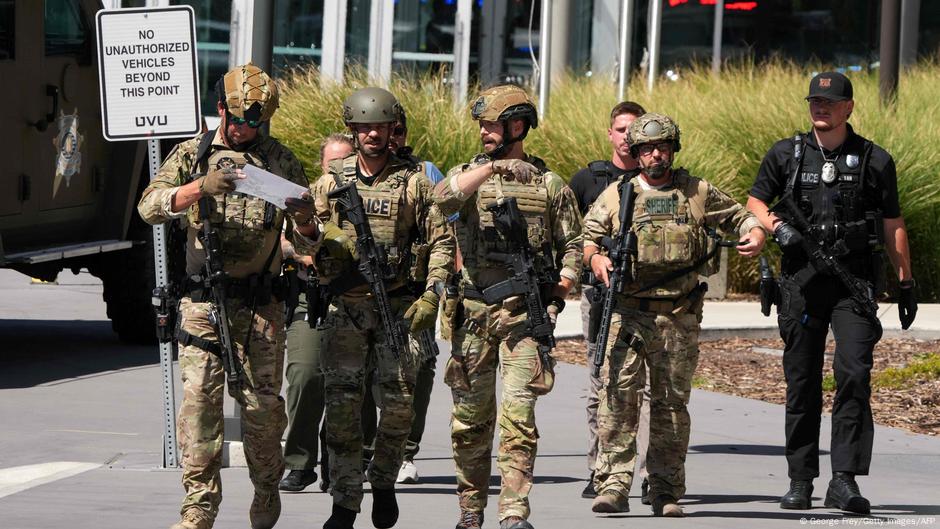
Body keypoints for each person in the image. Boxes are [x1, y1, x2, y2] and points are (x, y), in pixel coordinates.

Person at [137, 63, 315, 529]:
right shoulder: (192, 154)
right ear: (221, 109)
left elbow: (307, 242)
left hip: (261, 307)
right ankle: (197, 507)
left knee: (262, 412)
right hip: (203, 302)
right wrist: (199, 187)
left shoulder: (279, 161)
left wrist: (305, 220)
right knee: (199, 407)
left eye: (256, 122)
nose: (245, 129)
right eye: (238, 119)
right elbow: (149, 207)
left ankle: (266, 489)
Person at [746, 71, 917, 515]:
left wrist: (906, 282)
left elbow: (893, 223)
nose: (820, 108)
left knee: (854, 375)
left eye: (830, 102)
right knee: (801, 382)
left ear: (849, 108)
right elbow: (756, 202)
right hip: (801, 284)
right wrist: (776, 227)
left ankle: (844, 480)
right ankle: (800, 479)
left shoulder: (875, 159)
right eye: (814, 102)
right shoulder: (786, 154)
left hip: (852, 285)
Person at [583, 113, 766, 517]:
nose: (655, 155)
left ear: (673, 149)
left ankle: (665, 489)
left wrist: (754, 233)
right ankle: (612, 484)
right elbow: (588, 239)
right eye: (647, 149)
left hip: (679, 316)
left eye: (662, 147)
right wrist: (596, 259)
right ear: (636, 153)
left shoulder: (696, 192)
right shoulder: (617, 195)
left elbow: (741, 217)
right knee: (618, 400)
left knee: (670, 405)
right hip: (628, 314)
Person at [293, 86, 455, 529]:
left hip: (398, 307)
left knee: (399, 408)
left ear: (392, 129)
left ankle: (383, 481)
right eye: (364, 128)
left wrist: (432, 294)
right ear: (352, 130)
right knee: (343, 412)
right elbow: (303, 245)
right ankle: (345, 502)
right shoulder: (331, 182)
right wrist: (308, 227)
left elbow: (442, 241)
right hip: (346, 308)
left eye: (381, 127)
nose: (373, 135)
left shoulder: (415, 182)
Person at [433, 84, 583, 529]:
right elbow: (442, 199)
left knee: (519, 419)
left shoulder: (550, 184)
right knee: (470, 422)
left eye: (492, 125)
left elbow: (573, 244)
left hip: (523, 317)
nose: (484, 132)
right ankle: (470, 509)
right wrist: (492, 168)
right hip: (474, 316)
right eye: (481, 125)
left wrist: (561, 287)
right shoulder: (467, 175)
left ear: (517, 126)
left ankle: (514, 512)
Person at [361, 107, 449, 486]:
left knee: (421, 369)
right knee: (365, 373)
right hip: (366, 294)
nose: (390, 138)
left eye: (397, 131)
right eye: (384, 130)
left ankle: (405, 452)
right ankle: (367, 449)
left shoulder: (424, 174)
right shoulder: (355, 172)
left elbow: (447, 233)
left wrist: (442, 291)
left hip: (414, 293)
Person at [566, 101, 649, 501]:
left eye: (634, 130)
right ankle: (599, 468)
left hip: (647, 296)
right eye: (620, 130)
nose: (626, 138)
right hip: (599, 294)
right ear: (609, 133)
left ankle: (650, 473)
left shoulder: (659, 179)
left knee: (646, 388)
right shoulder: (588, 180)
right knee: (600, 381)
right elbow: (568, 235)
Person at [279, 133, 355, 494]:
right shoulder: (302, 200)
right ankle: (300, 461)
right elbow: (281, 239)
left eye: (345, 161)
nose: (337, 170)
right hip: (310, 298)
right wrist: (304, 253)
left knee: (355, 385)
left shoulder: (360, 199)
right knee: (305, 375)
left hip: (353, 298)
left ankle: (342, 462)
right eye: (331, 163)